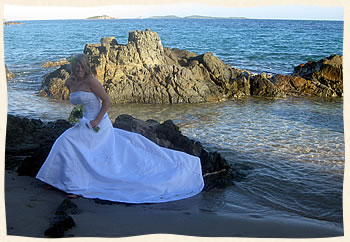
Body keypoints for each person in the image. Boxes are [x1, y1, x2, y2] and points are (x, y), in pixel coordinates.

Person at [36, 54, 204, 203]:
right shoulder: (69, 82)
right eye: (76, 66)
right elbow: (77, 103)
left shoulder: (91, 81)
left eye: (82, 66)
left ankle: (73, 185)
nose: (79, 69)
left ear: (86, 67)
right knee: (64, 141)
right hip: (82, 123)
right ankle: (54, 179)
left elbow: (107, 101)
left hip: (98, 124)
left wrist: (96, 121)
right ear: (73, 67)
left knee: (69, 142)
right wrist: (77, 115)